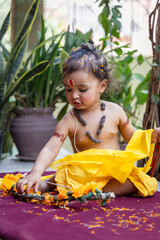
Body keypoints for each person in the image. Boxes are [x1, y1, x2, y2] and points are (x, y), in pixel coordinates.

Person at [16, 41, 160, 197]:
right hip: (81, 175)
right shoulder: (70, 119)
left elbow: (132, 136)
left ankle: (92, 191)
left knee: (138, 181)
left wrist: (151, 136)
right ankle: (48, 184)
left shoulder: (115, 111)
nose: (74, 95)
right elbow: (51, 148)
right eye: (68, 89)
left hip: (112, 174)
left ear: (102, 86)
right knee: (67, 174)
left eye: (82, 89)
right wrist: (36, 172)